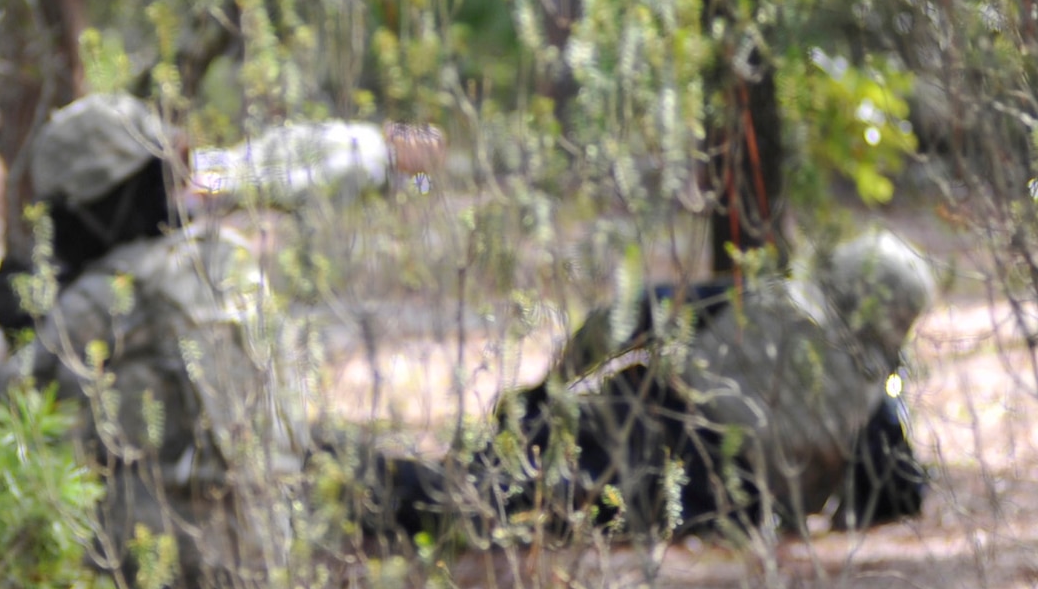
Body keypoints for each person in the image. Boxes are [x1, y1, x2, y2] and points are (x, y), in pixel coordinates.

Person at [0, 94, 308, 589]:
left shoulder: (110, 292)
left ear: (88, 205)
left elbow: (10, 399)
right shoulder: (228, 257)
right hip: (268, 541)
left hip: (168, 560)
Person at [387, 228, 937, 542]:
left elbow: (629, 316)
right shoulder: (875, 394)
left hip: (644, 415)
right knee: (518, 507)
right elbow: (895, 493)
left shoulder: (758, 295)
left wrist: (548, 390)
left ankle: (366, 488)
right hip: (708, 495)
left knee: (483, 488)